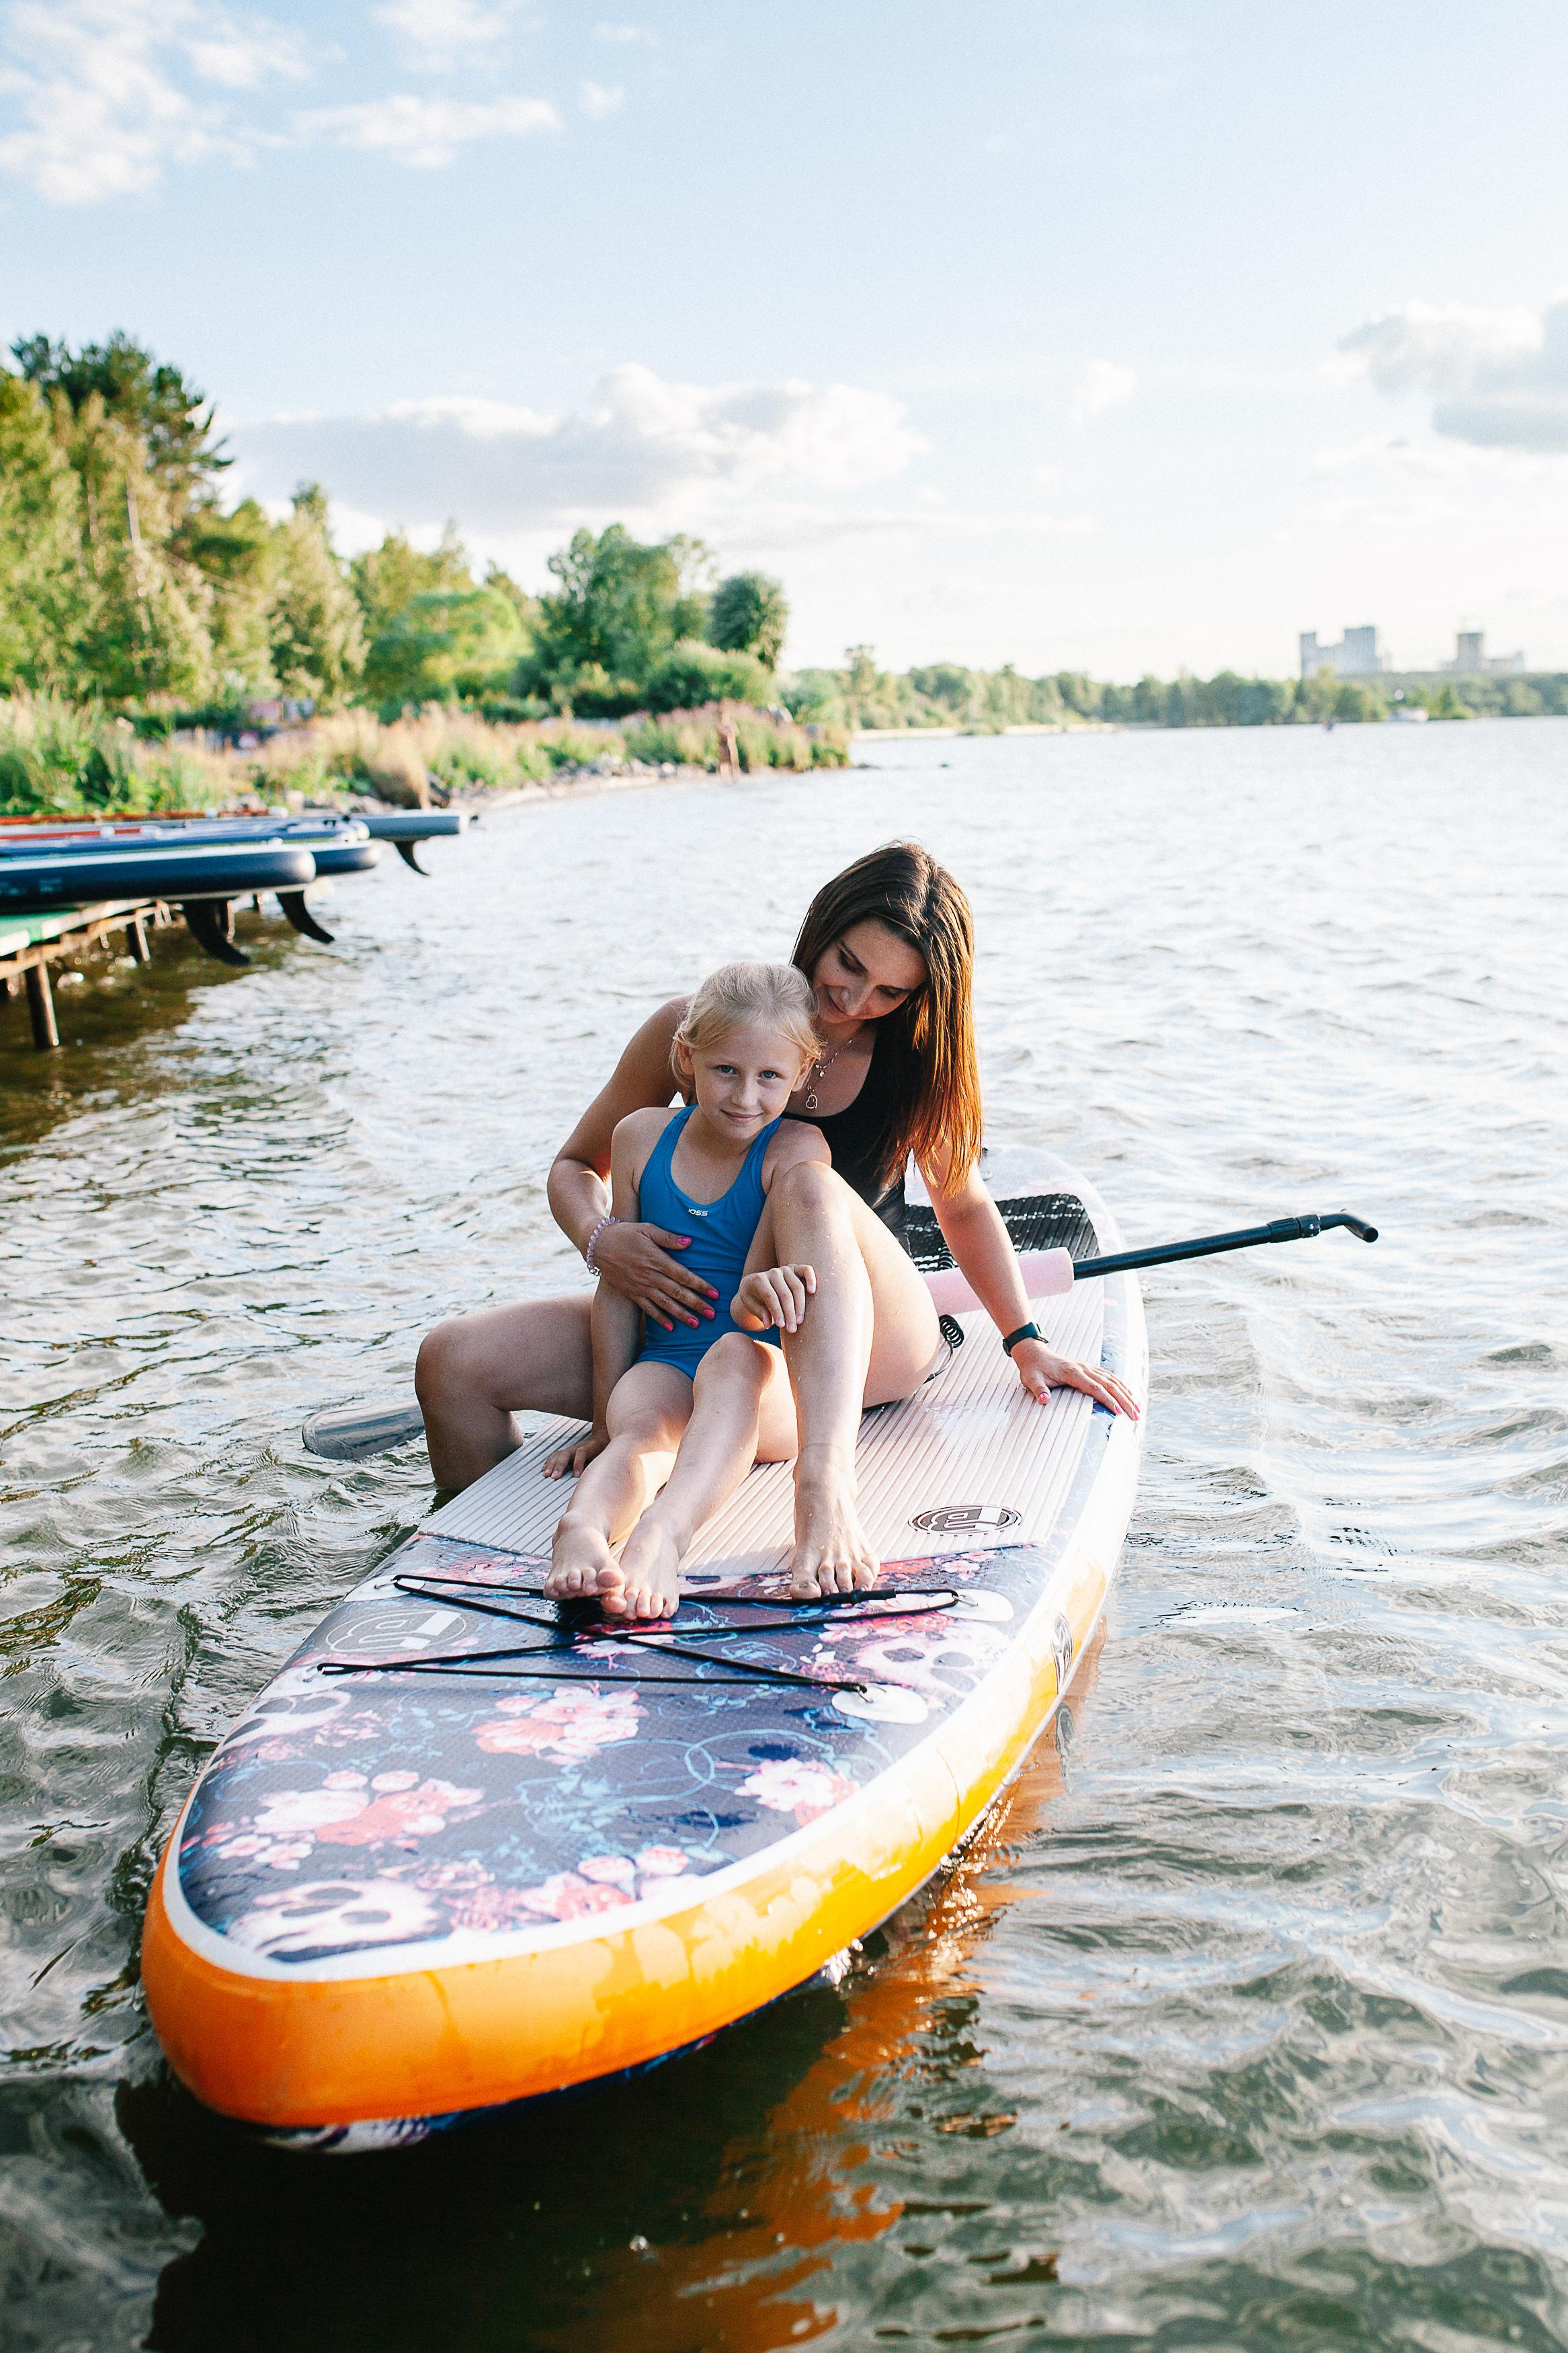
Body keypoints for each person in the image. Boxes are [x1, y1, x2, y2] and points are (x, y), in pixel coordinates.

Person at [416, 841, 1139, 1595]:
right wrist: (603, 1241)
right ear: (820, 926)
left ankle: (825, 1487)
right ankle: (498, 1562)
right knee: (453, 1362)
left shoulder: (915, 1060)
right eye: (849, 965)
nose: (857, 1001)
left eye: (891, 991)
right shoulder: (703, 1027)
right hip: (695, 1315)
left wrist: (1023, 1339)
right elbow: (574, 1167)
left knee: (806, 1182)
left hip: (856, 1337)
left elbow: (960, 1203)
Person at [543, 961, 826, 1619]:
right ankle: (581, 1527)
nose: (744, 1096)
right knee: (637, 1435)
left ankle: (662, 1532)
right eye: (724, 1069)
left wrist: (765, 1292)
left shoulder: (796, 1148)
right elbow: (618, 1288)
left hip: (763, 1379)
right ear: (686, 1056)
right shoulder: (639, 1137)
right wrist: (598, 1414)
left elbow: (747, 1310)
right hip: (667, 1358)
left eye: (769, 1076)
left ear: (802, 1074)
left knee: (733, 1355)